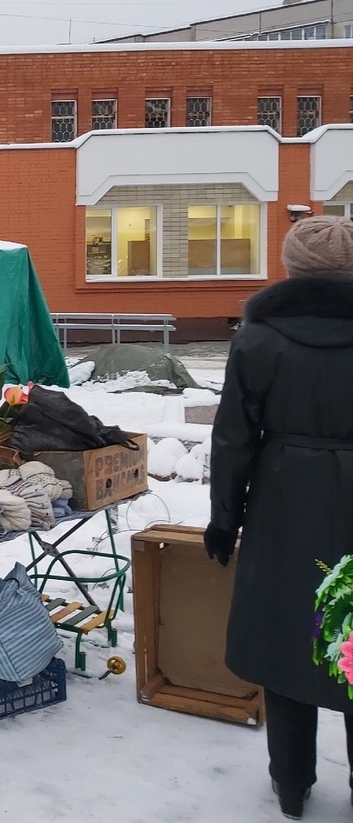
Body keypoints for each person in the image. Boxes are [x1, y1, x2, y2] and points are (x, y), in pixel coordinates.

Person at [208, 215, 353, 819]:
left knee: (289, 633)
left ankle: (291, 785)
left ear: (291, 266)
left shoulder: (258, 338)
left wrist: (224, 517)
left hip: (283, 504)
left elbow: (234, 438)